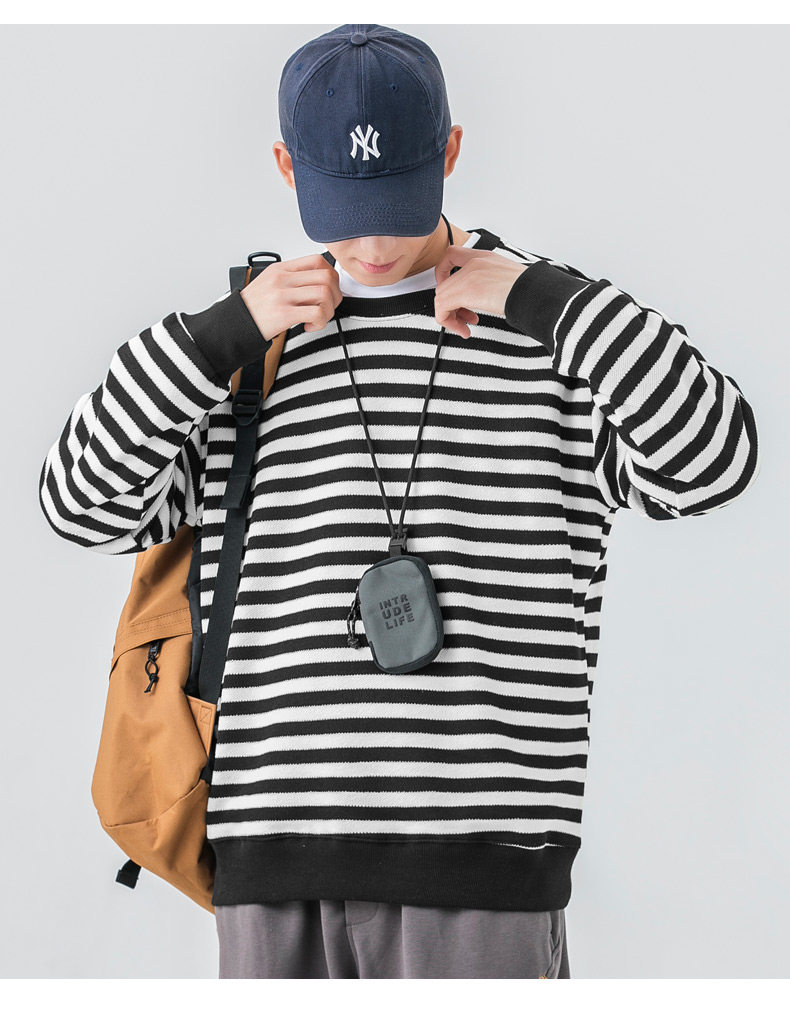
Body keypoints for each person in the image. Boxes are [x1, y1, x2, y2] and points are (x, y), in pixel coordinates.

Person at [38, 23, 760, 979]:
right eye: (342, 210)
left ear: (451, 150)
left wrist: (547, 300)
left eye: (396, 203)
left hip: (486, 865)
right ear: (286, 168)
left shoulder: (549, 331)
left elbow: (713, 462)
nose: (373, 244)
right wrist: (221, 334)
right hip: (272, 860)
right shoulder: (242, 352)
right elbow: (79, 504)